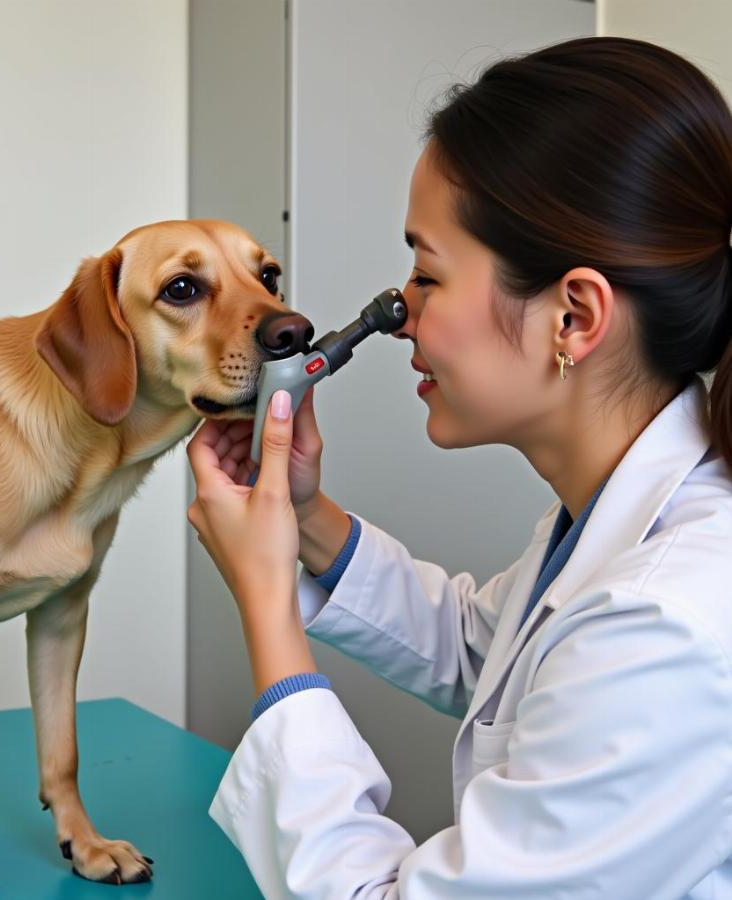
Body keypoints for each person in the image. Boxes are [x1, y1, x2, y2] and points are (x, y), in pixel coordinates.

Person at [186, 36, 732, 898]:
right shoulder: (625, 515)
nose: (399, 315)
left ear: (574, 316)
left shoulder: (669, 623)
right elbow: (494, 650)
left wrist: (270, 622)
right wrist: (306, 521)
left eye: (426, 276)